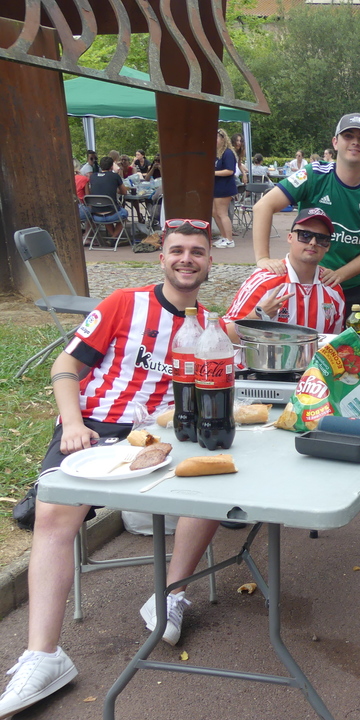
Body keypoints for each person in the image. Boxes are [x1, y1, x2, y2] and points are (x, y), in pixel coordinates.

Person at [0, 220, 219, 718]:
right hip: (95, 426)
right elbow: (64, 367)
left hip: (160, 437)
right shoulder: (123, 303)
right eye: (177, 250)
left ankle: (169, 596)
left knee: (212, 485)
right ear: (162, 259)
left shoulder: (210, 326)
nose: (186, 259)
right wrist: (74, 424)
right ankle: (44, 656)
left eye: (197, 251)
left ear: (210, 263)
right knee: (53, 515)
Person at [253, 113, 360, 327]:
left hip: (356, 287)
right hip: (308, 283)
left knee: (359, 348)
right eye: (348, 136)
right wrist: (263, 258)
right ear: (335, 142)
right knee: (301, 344)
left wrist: (340, 275)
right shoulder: (313, 174)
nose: (355, 142)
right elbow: (263, 206)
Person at [224, 207, 345, 340]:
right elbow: (224, 335)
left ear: (328, 246)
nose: (313, 242)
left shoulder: (332, 287)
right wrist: (256, 316)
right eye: (305, 235)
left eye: (322, 239)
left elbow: (336, 342)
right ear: (290, 237)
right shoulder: (263, 282)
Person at [86, 156, 128, 238]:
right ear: (111, 166)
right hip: (111, 213)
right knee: (124, 213)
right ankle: (114, 237)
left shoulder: (93, 176)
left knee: (105, 208)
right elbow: (124, 192)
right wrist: (115, 190)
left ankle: (113, 237)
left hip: (96, 215)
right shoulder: (114, 176)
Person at [212, 128, 238, 249]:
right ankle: (223, 236)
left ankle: (229, 239)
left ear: (223, 139)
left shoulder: (228, 153)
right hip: (216, 187)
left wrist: (213, 173)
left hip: (225, 187)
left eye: (216, 137)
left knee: (222, 213)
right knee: (214, 212)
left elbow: (230, 171)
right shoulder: (217, 154)